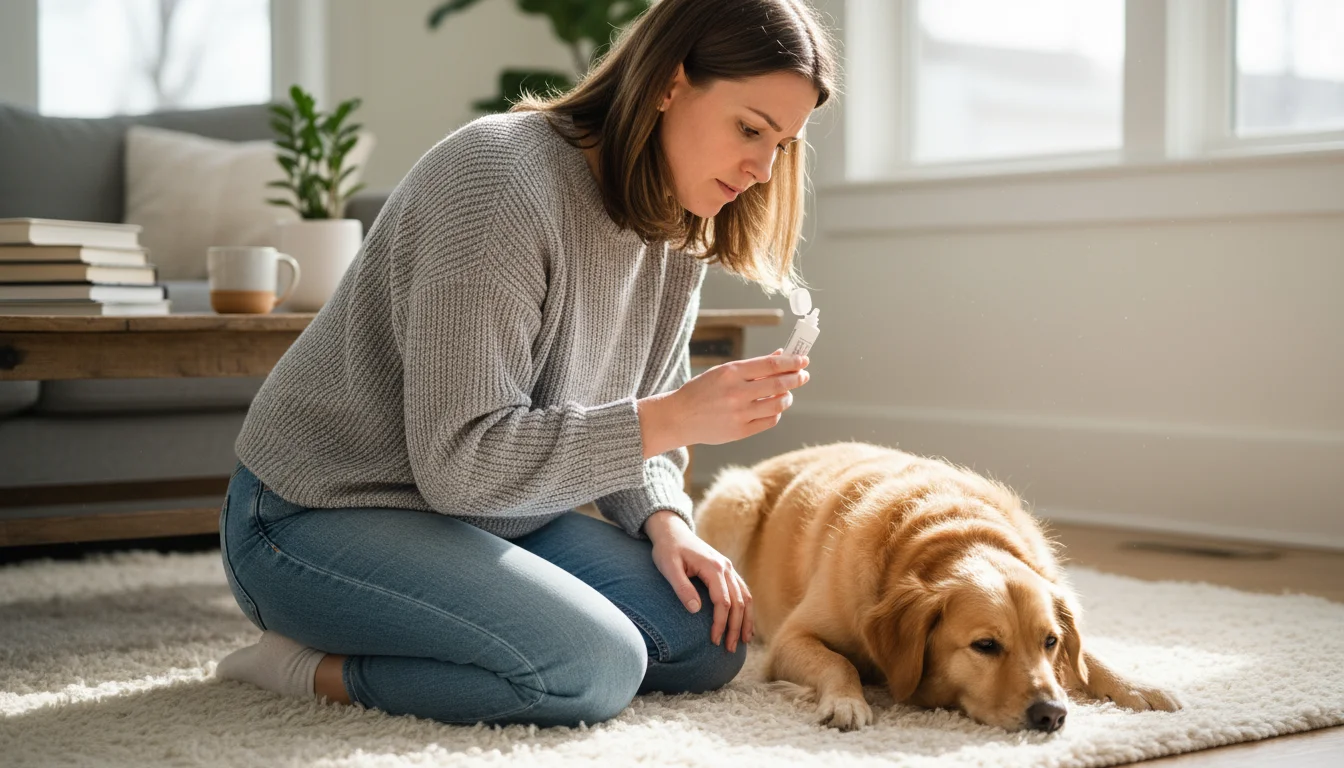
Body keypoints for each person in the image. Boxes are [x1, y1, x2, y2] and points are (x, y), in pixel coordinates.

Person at [214, 0, 838, 727]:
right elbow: (460, 464)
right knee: (591, 667)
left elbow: (637, 426)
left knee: (708, 636)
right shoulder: (500, 180)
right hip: (312, 514)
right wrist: (674, 417)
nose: (762, 170)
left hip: (491, 517)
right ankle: (303, 667)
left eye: (783, 145)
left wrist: (668, 522)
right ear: (670, 83)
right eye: (749, 129)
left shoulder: (676, 224)